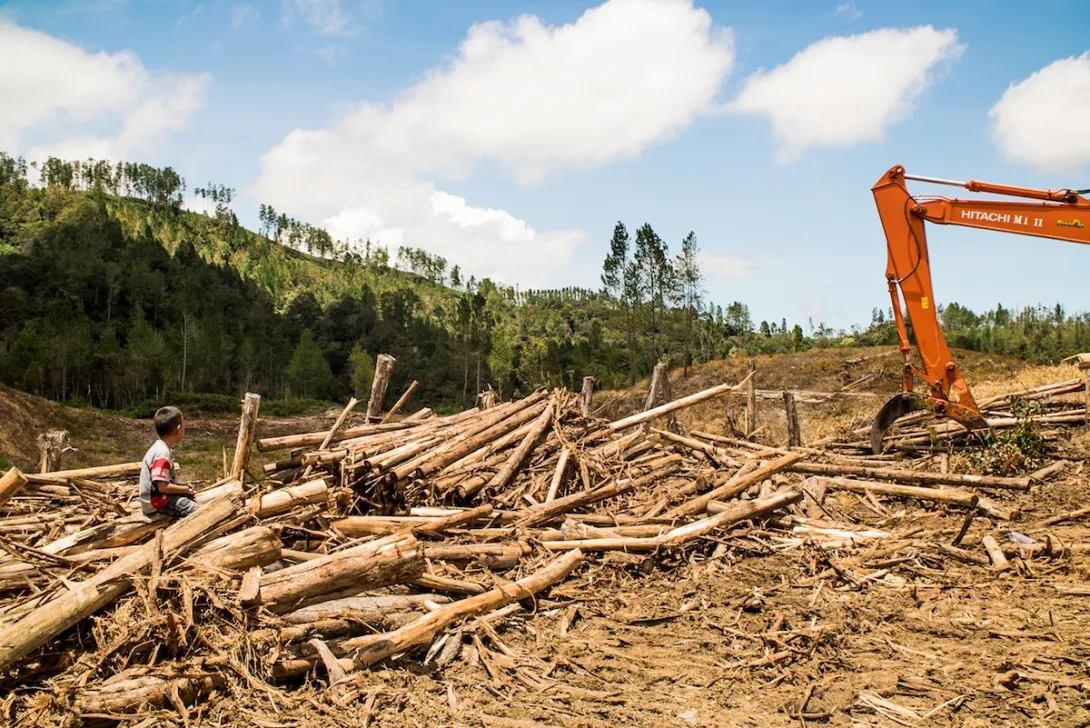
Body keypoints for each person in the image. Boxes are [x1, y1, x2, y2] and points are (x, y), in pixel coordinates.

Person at [139, 406, 198, 519]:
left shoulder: (160, 447)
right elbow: (163, 487)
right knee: (197, 511)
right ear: (178, 428)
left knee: (188, 498)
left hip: (157, 499)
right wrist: (187, 489)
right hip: (156, 502)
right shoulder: (162, 453)